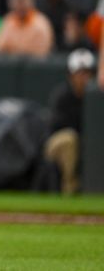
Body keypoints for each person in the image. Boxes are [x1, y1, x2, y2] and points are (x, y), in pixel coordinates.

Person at [44, 48, 96, 194]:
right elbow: (55, 128)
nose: (83, 78)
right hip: (57, 144)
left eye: (87, 73)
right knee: (69, 139)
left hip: (85, 143)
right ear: (71, 75)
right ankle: (69, 190)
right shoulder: (62, 96)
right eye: (79, 73)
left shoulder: (96, 97)